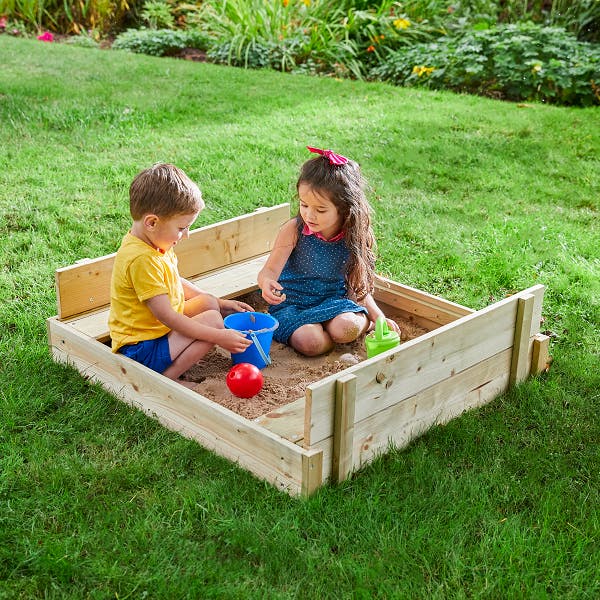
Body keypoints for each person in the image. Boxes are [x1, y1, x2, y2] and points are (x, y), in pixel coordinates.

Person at [109, 162, 253, 386]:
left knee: (208, 303)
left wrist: (220, 302)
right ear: (152, 222)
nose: (186, 235)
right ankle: (166, 378)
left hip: (157, 332)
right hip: (140, 349)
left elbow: (173, 281)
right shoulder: (141, 259)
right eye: (181, 228)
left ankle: (177, 358)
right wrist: (219, 336)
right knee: (213, 322)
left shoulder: (155, 243)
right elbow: (168, 316)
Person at [258, 146, 400, 357]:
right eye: (304, 205)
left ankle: (360, 324)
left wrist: (378, 317)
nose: (309, 215)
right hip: (293, 305)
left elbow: (358, 286)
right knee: (310, 342)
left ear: (344, 208)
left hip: (334, 302)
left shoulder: (355, 236)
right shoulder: (294, 230)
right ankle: (328, 342)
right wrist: (266, 283)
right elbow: (268, 271)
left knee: (346, 328)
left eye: (320, 210)